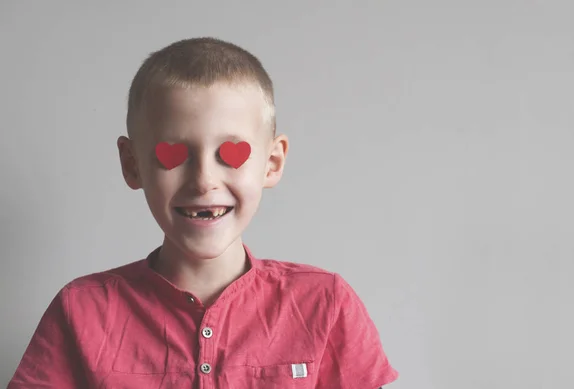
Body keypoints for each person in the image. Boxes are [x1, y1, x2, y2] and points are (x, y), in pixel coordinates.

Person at [8, 37, 398, 389]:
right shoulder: (80, 309)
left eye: (231, 154)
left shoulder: (325, 303)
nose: (203, 180)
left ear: (272, 162)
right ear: (132, 164)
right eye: (173, 154)